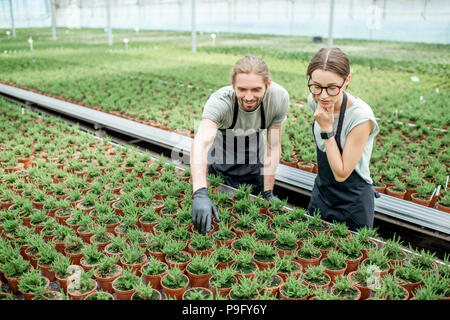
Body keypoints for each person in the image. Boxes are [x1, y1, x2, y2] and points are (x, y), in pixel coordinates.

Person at [190, 54, 290, 234]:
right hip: (221, 166)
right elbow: (201, 143)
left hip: (254, 167)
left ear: (267, 85)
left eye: (256, 89)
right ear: (232, 85)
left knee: (250, 224)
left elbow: (272, 147)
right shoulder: (221, 101)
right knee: (222, 222)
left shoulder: (278, 99)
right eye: (242, 89)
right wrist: (200, 192)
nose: (249, 97)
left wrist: (268, 192)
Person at [306, 47, 380, 231]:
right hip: (322, 193)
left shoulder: (360, 117)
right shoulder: (314, 100)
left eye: (332, 88)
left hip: (353, 202)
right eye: (316, 86)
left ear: (346, 80)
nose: (323, 95)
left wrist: (327, 130)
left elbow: (342, 173)